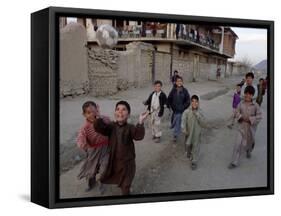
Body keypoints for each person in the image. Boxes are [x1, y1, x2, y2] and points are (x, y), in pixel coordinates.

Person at [94, 101, 149, 195]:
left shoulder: (130, 128)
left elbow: (138, 136)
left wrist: (140, 122)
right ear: (115, 113)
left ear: (128, 114)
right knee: (117, 177)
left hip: (128, 162)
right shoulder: (111, 126)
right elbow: (101, 128)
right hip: (115, 161)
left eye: (124, 110)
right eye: (118, 109)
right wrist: (98, 117)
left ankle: (125, 193)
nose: (120, 112)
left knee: (126, 183)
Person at [76, 101, 110, 193]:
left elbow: (109, 123)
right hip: (93, 152)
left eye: (94, 111)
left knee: (104, 168)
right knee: (92, 170)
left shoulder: (104, 119)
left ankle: (101, 184)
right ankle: (91, 183)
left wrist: (100, 117)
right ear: (84, 114)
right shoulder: (85, 128)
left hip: (106, 149)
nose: (92, 114)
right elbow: (80, 137)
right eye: (88, 112)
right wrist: (82, 143)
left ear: (97, 110)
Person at [228, 86, 262, 169]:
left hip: (250, 129)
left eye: (250, 94)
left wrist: (250, 119)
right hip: (241, 127)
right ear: (244, 94)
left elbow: (259, 116)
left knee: (249, 143)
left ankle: (248, 151)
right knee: (237, 144)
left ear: (252, 95)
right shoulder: (241, 103)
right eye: (246, 94)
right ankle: (234, 162)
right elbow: (236, 112)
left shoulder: (255, 106)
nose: (248, 96)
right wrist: (240, 117)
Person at [181, 95, 208, 170]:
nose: (194, 103)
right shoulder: (187, 111)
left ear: (198, 103)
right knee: (188, 145)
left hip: (196, 134)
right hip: (188, 133)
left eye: (196, 101)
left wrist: (197, 115)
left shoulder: (200, 112)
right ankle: (188, 152)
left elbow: (204, 124)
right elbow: (183, 120)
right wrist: (184, 129)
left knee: (196, 147)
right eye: (193, 101)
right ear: (190, 102)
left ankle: (194, 161)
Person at [167, 76, 191, 142]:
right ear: (176, 82)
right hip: (174, 109)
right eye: (178, 81)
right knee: (175, 119)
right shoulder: (173, 90)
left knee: (178, 119)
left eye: (180, 81)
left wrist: (183, 107)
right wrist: (169, 105)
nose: (179, 82)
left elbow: (188, 100)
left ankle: (175, 134)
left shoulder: (185, 91)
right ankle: (174, 125)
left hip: (181, 109)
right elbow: (169, 98)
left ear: (182, 82)